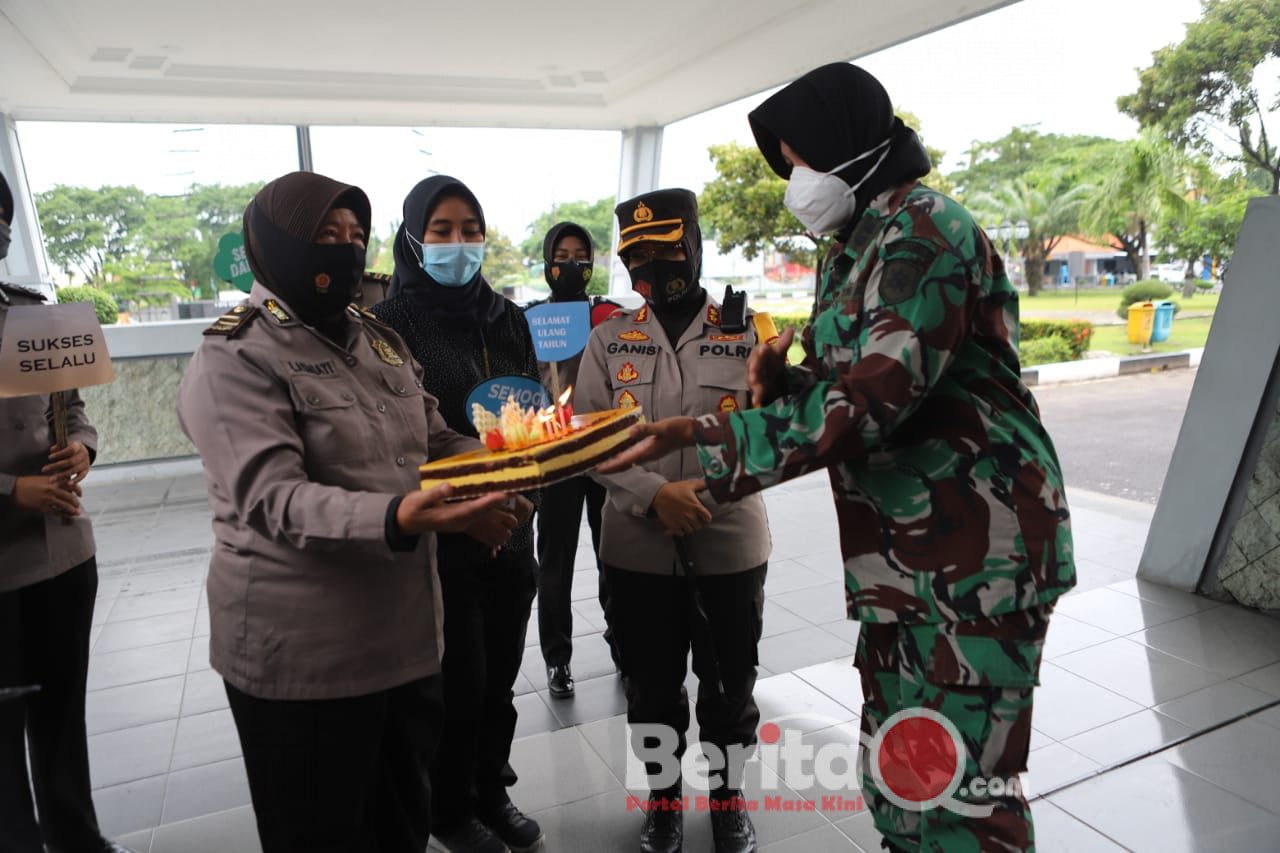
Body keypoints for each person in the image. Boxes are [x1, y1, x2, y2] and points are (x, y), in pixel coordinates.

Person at [601, 64, 1076, 852]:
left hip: (975, 560)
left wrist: (698, 437)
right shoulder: (854, 246)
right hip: (906, 560)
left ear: (848, 147)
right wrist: (782, 375)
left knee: (965, 802)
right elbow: (839, 376)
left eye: (802, 162)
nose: (798, 182)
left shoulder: (925, 233)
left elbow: (871, 402)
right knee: (906, 776)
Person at [176, 171, 520, 853]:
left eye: (355, 236)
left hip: (404, 641)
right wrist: (402, 516)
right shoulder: (236, 355)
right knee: (323, 833)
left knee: (399, 825)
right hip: (304, 660)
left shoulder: (376, 337)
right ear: (276, 244)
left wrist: (503, 462)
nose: (344, 249)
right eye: (325, 235)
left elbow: (434, 433)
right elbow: (273, 498)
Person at [577, 189, 771, 853]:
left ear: (692, 242)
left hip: (729, 543)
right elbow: (589, 442)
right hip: (636, 546)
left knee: (730, 686)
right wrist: (653, 494)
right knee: (652, 687)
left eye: (664, 248)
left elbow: (774, 434)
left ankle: (727, 797)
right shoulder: (608, 340)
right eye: (637, 255)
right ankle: (662, 800)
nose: (652, 264)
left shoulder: (749, 332)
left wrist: (705, 495)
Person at [373, 175, 543, 853]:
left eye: (470, 229)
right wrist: (465, 501)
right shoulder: (389, 327)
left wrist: (531, 477)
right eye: (441, 230)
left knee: (499, 675)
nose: (458, 243)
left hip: (512, 520)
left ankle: (489, 789)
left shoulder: (509, 316)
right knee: (459, 680)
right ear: (414, 237)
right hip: (445, 533)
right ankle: (448, 807)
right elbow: (399, 439)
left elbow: (527, 412)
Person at [0, 172, 133, 853]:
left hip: (63, 553)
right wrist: (10, 490)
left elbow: (74, 411)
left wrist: (81, 448)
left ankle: (76, 836)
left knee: (61, 711)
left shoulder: (33, 316)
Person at [524, 221, 622, 698]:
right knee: (555, 563)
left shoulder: (608, 316)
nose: (569, 263)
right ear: (547, 264)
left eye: (579, 254)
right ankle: (557, 661)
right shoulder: (529, 322)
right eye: (560, 254)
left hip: (603, 454)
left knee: (615, 555)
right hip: (556, 459)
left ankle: (623, 646)